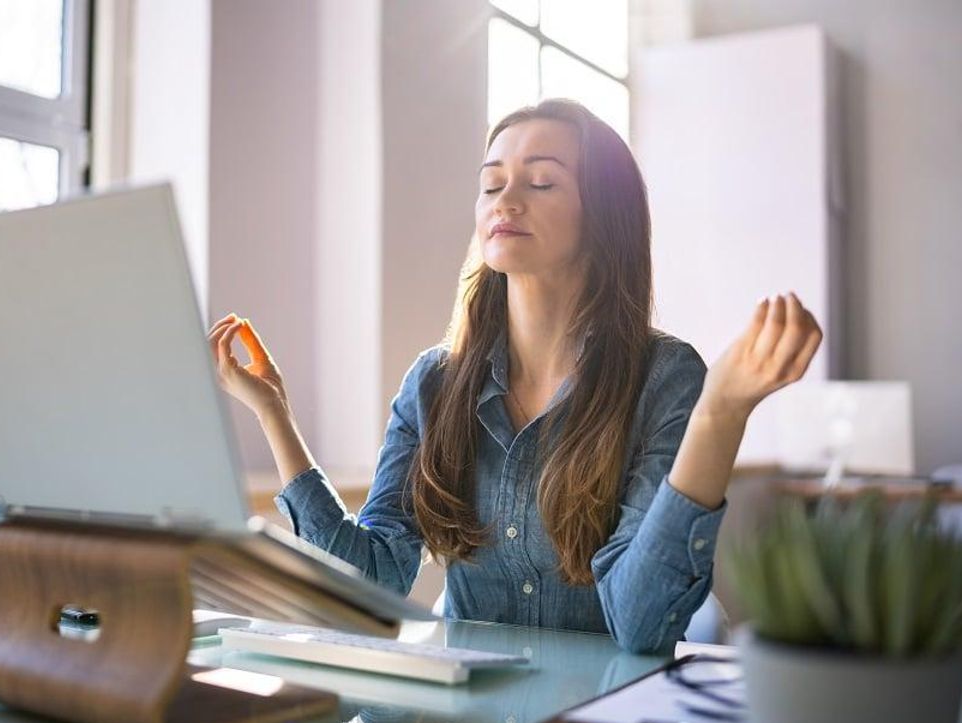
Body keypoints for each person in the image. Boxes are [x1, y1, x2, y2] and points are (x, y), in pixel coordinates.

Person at [208, 99, 822, 654]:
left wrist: (720, 413)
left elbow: (640, 625)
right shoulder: (433, 383)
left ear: (605, 215)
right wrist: (273, 413)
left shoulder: (664, 378)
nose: (505, 200)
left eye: (541, 181)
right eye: (491, 183)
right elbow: (368, 582)